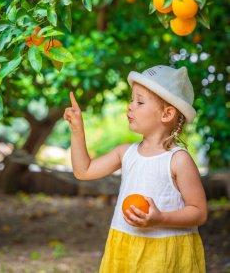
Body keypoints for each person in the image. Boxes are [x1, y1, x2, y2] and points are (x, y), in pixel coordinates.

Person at [64, 65, 207, 273]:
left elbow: (199, 212)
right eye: (132, 100)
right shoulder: (125, 153)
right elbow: (83, 171)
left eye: (139, 102)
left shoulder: (178, 160)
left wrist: (160, 219)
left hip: (165, 254)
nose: (130, 106)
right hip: (125, 248)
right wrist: (77, 130)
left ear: (167, 114)